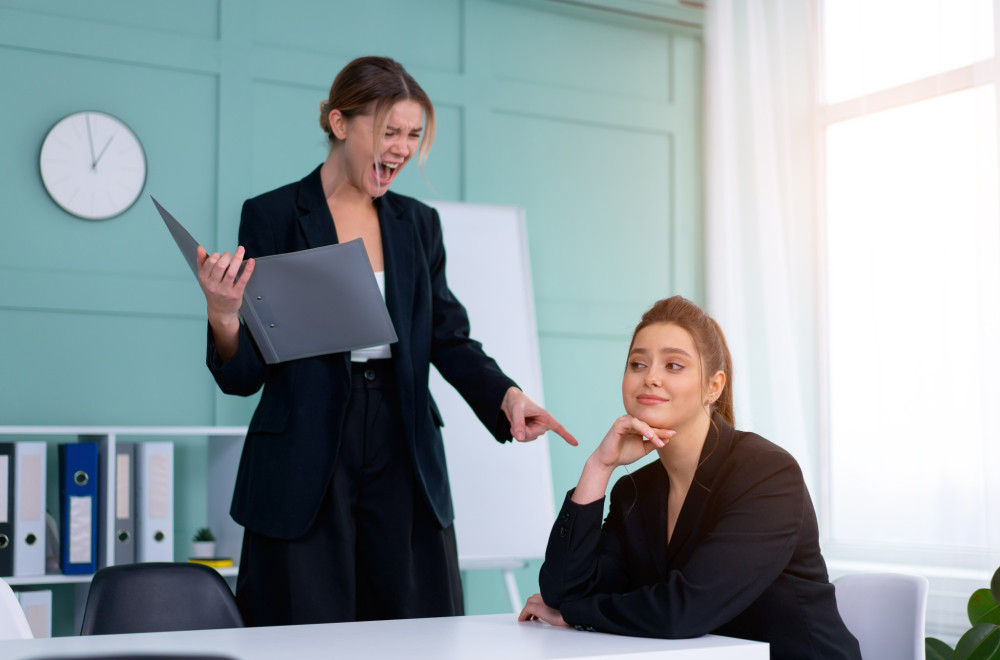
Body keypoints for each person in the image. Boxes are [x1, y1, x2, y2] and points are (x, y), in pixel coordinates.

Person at [196, 56, 577, 626]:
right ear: (339, 122)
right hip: (303, 447)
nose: (402, 149)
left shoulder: (417, 224)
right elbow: (246, 374)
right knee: (302, 627)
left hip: (403, 445)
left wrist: (507, 396)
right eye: (388, 131)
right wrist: (224, 314)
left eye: (413, 135)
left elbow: (447, 337)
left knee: (413, 624)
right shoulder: (272, 215)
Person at [518, 296, 860, 659]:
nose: (650, 377)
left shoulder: (768, 475)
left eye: (673, 365)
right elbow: (564, 592)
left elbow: (684, 610)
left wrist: (578, 616)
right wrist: (599, 467)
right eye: (638, 364)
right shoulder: (634, 491)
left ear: (714, 387)